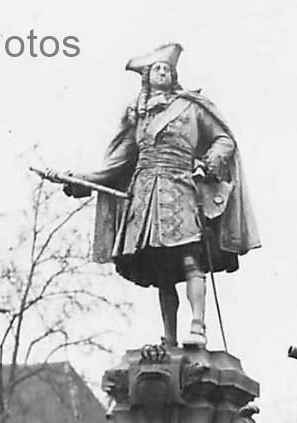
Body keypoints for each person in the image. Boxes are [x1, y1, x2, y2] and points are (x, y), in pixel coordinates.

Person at [63, 42, 259, 349]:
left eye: (167, 68)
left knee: (190, 258)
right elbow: (118, 163)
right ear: (147, 77)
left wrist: (207, 164)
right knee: (161, 271)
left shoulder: (192, 108)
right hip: (145, 198)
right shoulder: (138, 117)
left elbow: (224, 140)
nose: (163, 72)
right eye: (157, 68)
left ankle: (197, 326)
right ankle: (169, 337)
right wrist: (81, 181)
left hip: (181, 188)